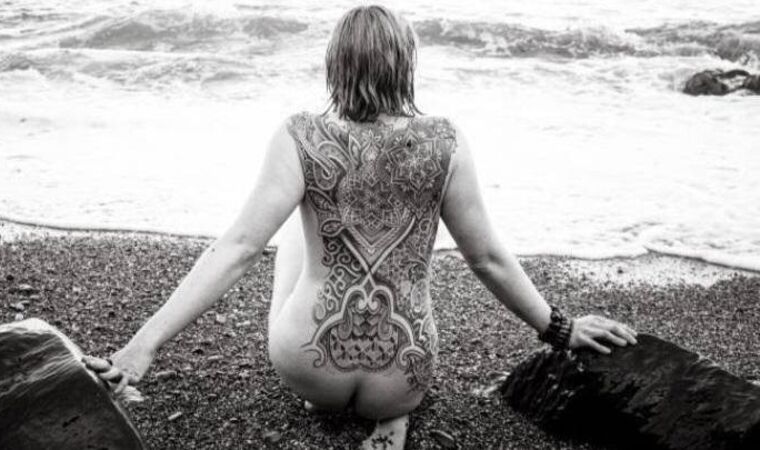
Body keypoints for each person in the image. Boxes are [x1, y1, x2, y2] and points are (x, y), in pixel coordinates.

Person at [84, 5, 638, 449]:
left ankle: (326, 400)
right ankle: (389, 420)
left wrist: (142, 347)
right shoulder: (445, 141)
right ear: (405, 63)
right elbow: (487, 259)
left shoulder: (301, 136)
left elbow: (240, 247)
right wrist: (561, 330)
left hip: (308, 363)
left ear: (336, 64)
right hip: (405, 372)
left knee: (290, 236)